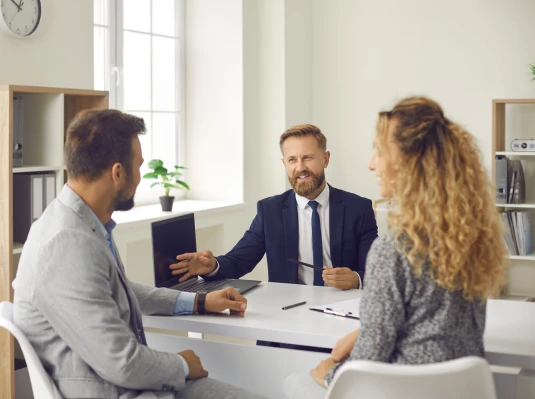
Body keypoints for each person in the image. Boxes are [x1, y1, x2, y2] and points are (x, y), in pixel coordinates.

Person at [13, 109, 264, 399]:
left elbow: (117, 288)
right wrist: (181, 364)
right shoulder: (68, 241)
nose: (141, 176)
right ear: (118, 173)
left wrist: (199, 301)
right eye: (139, 166)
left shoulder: (80, 223)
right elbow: (123, 363)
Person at [281, 96, 508, 398]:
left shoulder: (395, 249)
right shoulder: (469, 235)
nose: (372, 164)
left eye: (379, 152)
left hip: (399, 390)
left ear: (408, 162)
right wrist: (366, 331)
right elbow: (433, 323)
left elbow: (368, 360)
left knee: (292, 383)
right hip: (462, 387)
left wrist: (328, 371)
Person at [171, 124, 378, 291]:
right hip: (288, 311)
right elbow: (239, 261)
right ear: (284, 164)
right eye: (292, 160)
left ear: (325, 159)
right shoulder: (270, 210)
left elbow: (376, 273)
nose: (300, 167)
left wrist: (355, 279)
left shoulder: (358, 209)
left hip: (341, 310)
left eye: (308, 157)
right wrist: (212, 266)